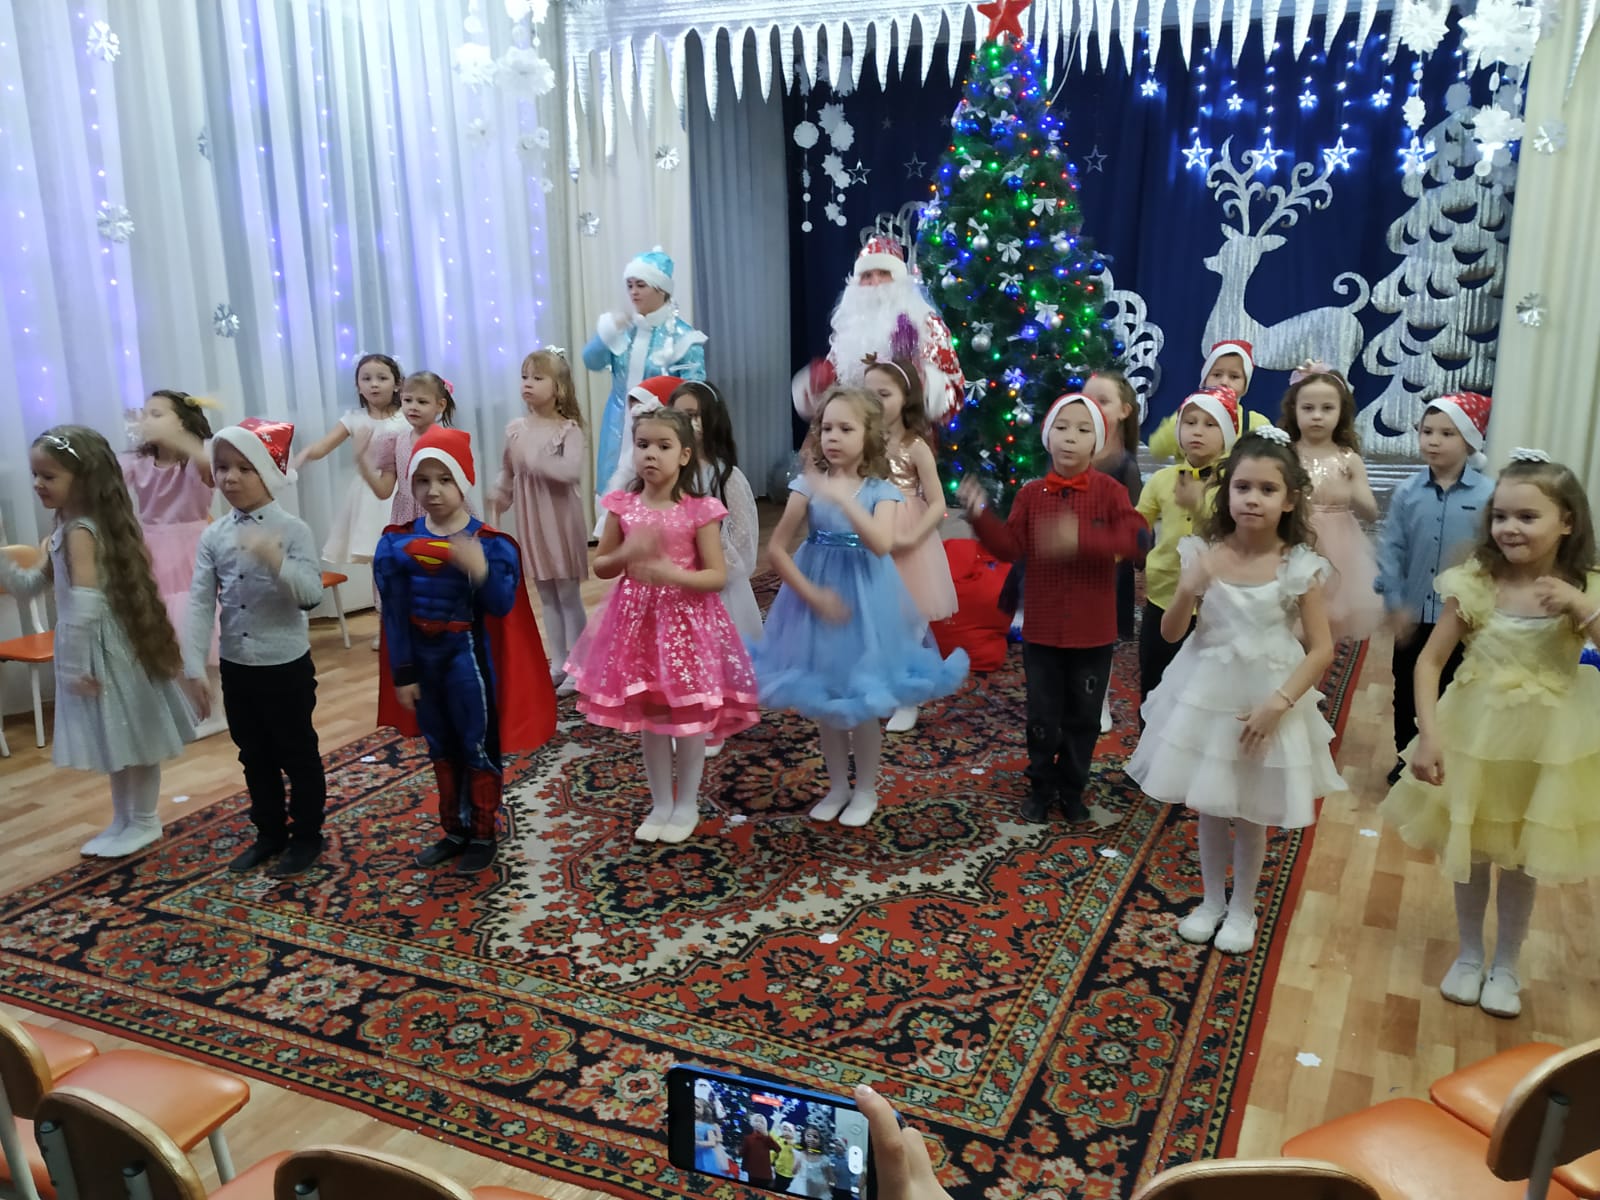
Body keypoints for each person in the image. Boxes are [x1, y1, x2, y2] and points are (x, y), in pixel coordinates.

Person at [1379, 450, 1599, 1019]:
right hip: (1475, 735)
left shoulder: (1584, 587)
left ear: (1567, 521)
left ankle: (1507, 964)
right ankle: (1470, 954)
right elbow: (1429, 662)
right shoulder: (1477, 583)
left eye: (1528, 516)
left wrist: (1582, 607)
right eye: (1501, 516)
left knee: (1522, 857)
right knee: (1472, 848)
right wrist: (1428, 736)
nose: (1510, 528)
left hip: (1545, 746)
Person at [1126, 428, 1347, 954]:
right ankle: (1210, 901)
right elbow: (1170, 634)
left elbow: (1321, 649)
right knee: (1210, 802)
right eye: (1243, 487)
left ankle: (1243, 908)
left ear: (1289, 500)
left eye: (1268, 489)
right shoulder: (1203, 552)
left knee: (1249, 810)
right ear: (1226, 493)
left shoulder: (1299, 565)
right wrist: (1189, 586)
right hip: (1207, 693)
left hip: (1266, 698)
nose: (1253, 498)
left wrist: (1279, 703)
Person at [751, 388, 968, 827]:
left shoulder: (882, 491)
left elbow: (881, 544)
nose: (832, 437)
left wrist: (845, 500)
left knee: (862, 698)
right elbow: (775, 550)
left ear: (868, 435)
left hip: (866, 601)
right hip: (816, 598)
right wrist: (811, 595)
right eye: (826, 427)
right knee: (828, 700)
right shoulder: (806, 486)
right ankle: (837, 787)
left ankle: (865, 789)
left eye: (845, 429)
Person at [563, 407, 759, 844]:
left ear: (684, 455)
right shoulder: (623, 506)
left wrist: (672, 574)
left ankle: (686, 802)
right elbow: (602, 567)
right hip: (637, 624)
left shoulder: (700, 510)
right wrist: (628, 552)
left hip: (686, 625)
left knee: (687, 717)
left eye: (663, 446)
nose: (650, 454)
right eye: (642, 445)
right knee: (651, 719)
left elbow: (716, 576)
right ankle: (660, 804)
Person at [0, 426, 192, 856]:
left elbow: (87, 600)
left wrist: (73, 662)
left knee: (132, 738)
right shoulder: (67, 528)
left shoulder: (81, 531)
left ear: (84, 478)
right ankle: (125, 820)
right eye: (35, 475)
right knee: (119, 739)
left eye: (49, 476)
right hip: (97, 644)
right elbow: (30, 586)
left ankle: (143, 820)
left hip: (105, 649)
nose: (38, 484)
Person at [374, 428, 557, 873]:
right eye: (422, 480)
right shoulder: (396, 543)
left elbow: (501, 605)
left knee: (476, 745)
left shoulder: (491, 545)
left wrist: (480, 571)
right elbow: (393, 614)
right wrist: (403, 673)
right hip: (423, 663)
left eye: (445, 479)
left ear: (464, 481)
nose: (433, 491)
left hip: (468, 662)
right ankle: (454, 831)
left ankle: (483, 832)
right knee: (440, 747)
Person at [958, 395, 1146, 823]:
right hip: (1042, 630)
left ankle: (1073, 789)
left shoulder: (1111, 492)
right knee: (1042, 716)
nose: (1070, 438)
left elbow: (1137, 540)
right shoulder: (1031, 494)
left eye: (1083, 429)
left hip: (1092, 632)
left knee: (1083, 717)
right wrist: (980, 516)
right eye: (1061, 427)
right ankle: (1041, 787)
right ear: (1047, 436)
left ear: (1097, 442)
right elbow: (1010, 547)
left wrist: (1081, 539)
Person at [184, 419, 328, 877]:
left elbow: (311, 595)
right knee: (253, 754)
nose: (230, 478)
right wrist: (193, 666)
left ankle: (307, 835)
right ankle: (269, 832)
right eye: (222, 467)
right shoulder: (214, 535)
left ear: (267, 472)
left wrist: (274, 558)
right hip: (237, 666)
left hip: (284, 666)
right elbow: (200, 602)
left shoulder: (293, 530)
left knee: (296, 752)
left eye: (244, 468)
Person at [1373, 393, 1495, 785]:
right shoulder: (1407, 493)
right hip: (1413, 614)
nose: (1433, 441)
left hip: (1461, 619)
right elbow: (1392, 549)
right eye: (1427, 431)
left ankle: (1445, 760)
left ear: (1470, 441)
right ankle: (1405, 758)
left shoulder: (1488, 496)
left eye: (1446, 433)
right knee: (1407, 689)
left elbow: (1493, 557)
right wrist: (1394, 603)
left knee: (1452, 689)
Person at [119, 389, 224, 734]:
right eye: (145, 414)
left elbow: (211, 470)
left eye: (157, 414)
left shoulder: (199, 457)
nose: (147, 420)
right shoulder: (138, 462)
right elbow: (105, 483)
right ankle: (187, 710)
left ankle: (215, 709)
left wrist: (181, 441)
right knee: (165, 627)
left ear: (182, 422)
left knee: (199, 623)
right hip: (152, 548)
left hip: (192, 546)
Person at [863, 355, 955, 733]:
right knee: (871, 620)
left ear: (906, 398)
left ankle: (907, 696)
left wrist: (913, 537)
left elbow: (937, 502)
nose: (875, 401)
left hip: (907, 538)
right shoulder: (861, 441)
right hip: (868, 532)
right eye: (868, 393)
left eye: (884, 394)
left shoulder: (915, 446)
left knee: (907, 621)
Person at [490, 348, 589, 698]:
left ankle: (581, 665)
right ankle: (559, 662)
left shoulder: (568, 430)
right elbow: (507, 470)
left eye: (537, 377)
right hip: (531, 518)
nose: (527, 384)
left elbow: (570, 471)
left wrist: (536, 460)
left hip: (560, 520)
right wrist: (499, 495)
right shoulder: (516, 430)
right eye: (524, 377)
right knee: (546, 592)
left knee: (567, 592)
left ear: (558, 387)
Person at [1134, 386, 1238, 716]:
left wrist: (1199, 506)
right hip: (1164, 596)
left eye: (1210, 424)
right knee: (1155, 681)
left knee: (1205, 689)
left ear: (1228, 434)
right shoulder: (1161, 480)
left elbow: (1237, 536)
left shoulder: (1237, 484)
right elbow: (1135, 525)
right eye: (1189, 422)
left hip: (1216, 603)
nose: (1197, 431)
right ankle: (1149, 745)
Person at [582, 247, 707, 504]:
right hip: (618, 428)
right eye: (629, 285)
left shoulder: (683, 338)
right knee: (613, 496)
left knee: (655, 499)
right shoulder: (624, 331)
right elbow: (590, 360)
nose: (633, 292)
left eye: (641, 285)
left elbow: (695, 394)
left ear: (661, 289)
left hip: (661, 434)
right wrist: (607, 332)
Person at [792, 237, 965, 423]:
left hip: (907, 432)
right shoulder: (849, 329)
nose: (875, 282)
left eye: (884, 273)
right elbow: (831, 388)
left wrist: (919, 381)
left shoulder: (926, 324)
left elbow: (953, 395)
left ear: (900, 279)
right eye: (867, 275)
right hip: (857, 433)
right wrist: (817, 385)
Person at [1281, 363, 1381, 643]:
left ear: (1341, 412)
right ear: (1294, 410)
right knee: (1289, 615)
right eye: (1308, 408)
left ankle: (1318, 664)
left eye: (1327, 408)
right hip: (1293, 540)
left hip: (1339, 550)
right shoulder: (1286, 454)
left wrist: (1351, 491)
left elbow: (1371, 512)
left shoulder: (1349, 459)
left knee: (1327, 618)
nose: (1317, 416)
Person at [293, 352, 409, 566]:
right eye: (366, 379)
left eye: (382, 378)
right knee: (377, 556)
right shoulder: (354, 419)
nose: (374, 384)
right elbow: (322, 447)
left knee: (405, 554)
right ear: (358, 386)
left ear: (397, 384)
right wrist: (302, 455)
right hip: (368, 494)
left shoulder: (406, 417)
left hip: (401, 490)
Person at [671, 379, 762, 645]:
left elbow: (743, 541)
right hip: (675, 584)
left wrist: (707, 572)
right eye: (678, 416)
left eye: (692, 415)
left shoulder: (727, 478)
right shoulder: (668, 476)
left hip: (720, 591)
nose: (685, 423)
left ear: (711, 419)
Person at [1084, 369, 1145, 733]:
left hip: (1107, 568)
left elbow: (1133, 525)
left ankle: (1099, 699)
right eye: (1087, 398)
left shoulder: (1125, 465)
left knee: (1099, 638)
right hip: (1068, 565)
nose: (1092, 405)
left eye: (1102, 401)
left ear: (1124, 411)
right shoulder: (1066, 452)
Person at [355, 371, 469, 528]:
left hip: (443, 514)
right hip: (407, 518)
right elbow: (384, 491)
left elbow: (461, 485)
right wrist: (362, 461)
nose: (413, 407)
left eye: (422, 402)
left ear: (440, 405)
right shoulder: (395, 442)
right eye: (408, 400)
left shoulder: (448, 441)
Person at [1146, 339, 1268, 461]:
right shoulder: (1187, 414)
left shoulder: (1255, 423)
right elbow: (1157, 449)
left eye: (1234, 377)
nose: (1224, 382)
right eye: (1217, 375)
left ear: (1245, 386)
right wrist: (1182, 423)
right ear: (1204, 380)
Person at [787, 1127, 835, 1199]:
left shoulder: (824, 1159)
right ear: (804, 1138)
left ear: (820, 1141)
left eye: (815, 1137)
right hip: (799, 1187)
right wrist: (798, 1161)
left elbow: (831, 1178)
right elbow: (793, 1172)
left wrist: (826, 1186)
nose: (812, 1139)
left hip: (818, 1190)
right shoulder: (800, 1154)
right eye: (809, 1136)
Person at [740, 1113, 782, 1187]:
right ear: (752, 1123)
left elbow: (778, 1149)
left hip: (765, 1175)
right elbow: (743, 1154)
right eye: (756, 1121)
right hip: (752, 1174)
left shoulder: (767, 1138)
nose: (759, 1124)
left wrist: (766, 1135)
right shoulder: (748, 1138)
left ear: (765, 1125)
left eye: (761, 1122)